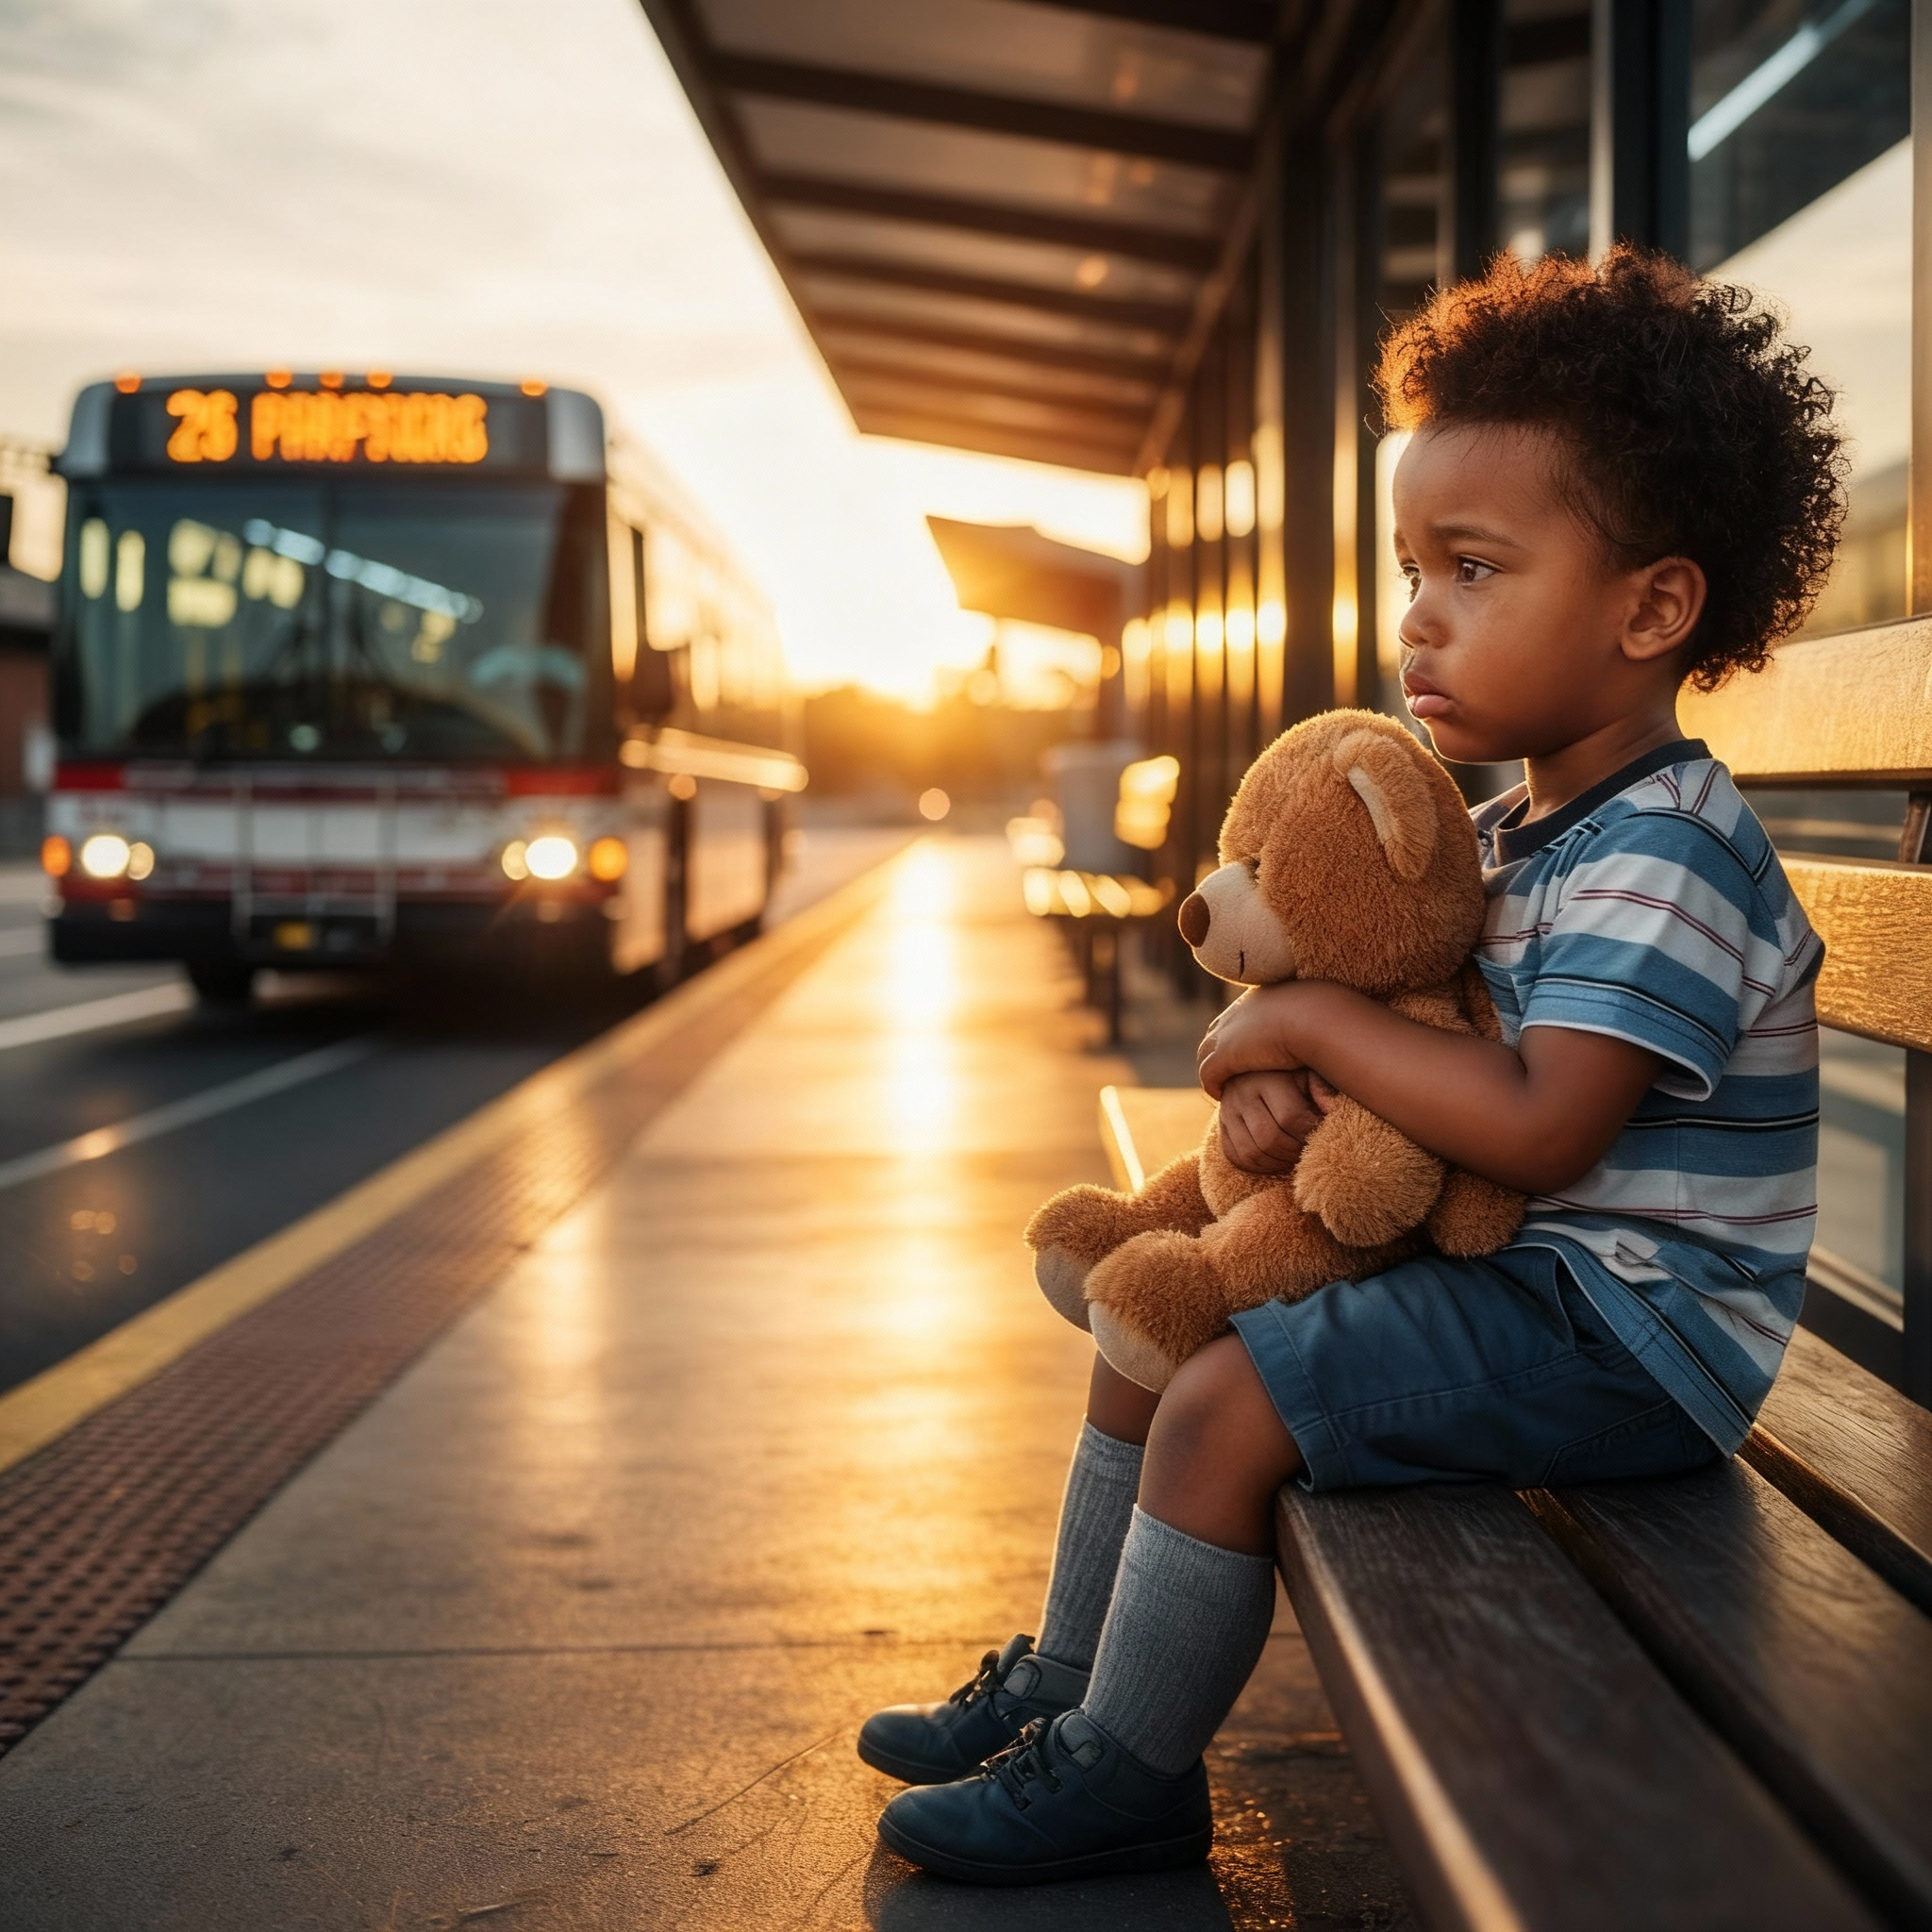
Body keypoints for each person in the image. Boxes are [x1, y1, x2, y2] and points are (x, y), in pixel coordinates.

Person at [862, 245, 1846, 1886]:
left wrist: (1312, 1032)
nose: (1418, 618)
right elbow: (1401, 1019)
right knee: (1159, 1299)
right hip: (1529, 1286)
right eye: (1412, 569)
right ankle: (1061, 1677)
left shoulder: (1671, 850)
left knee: (1227, 1407)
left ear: (1653, 607)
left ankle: (1128, 1776)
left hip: (1632, 1335)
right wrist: (1285, 1087)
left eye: (1473, 568)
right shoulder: (1508, 831)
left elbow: (1538, 1128)